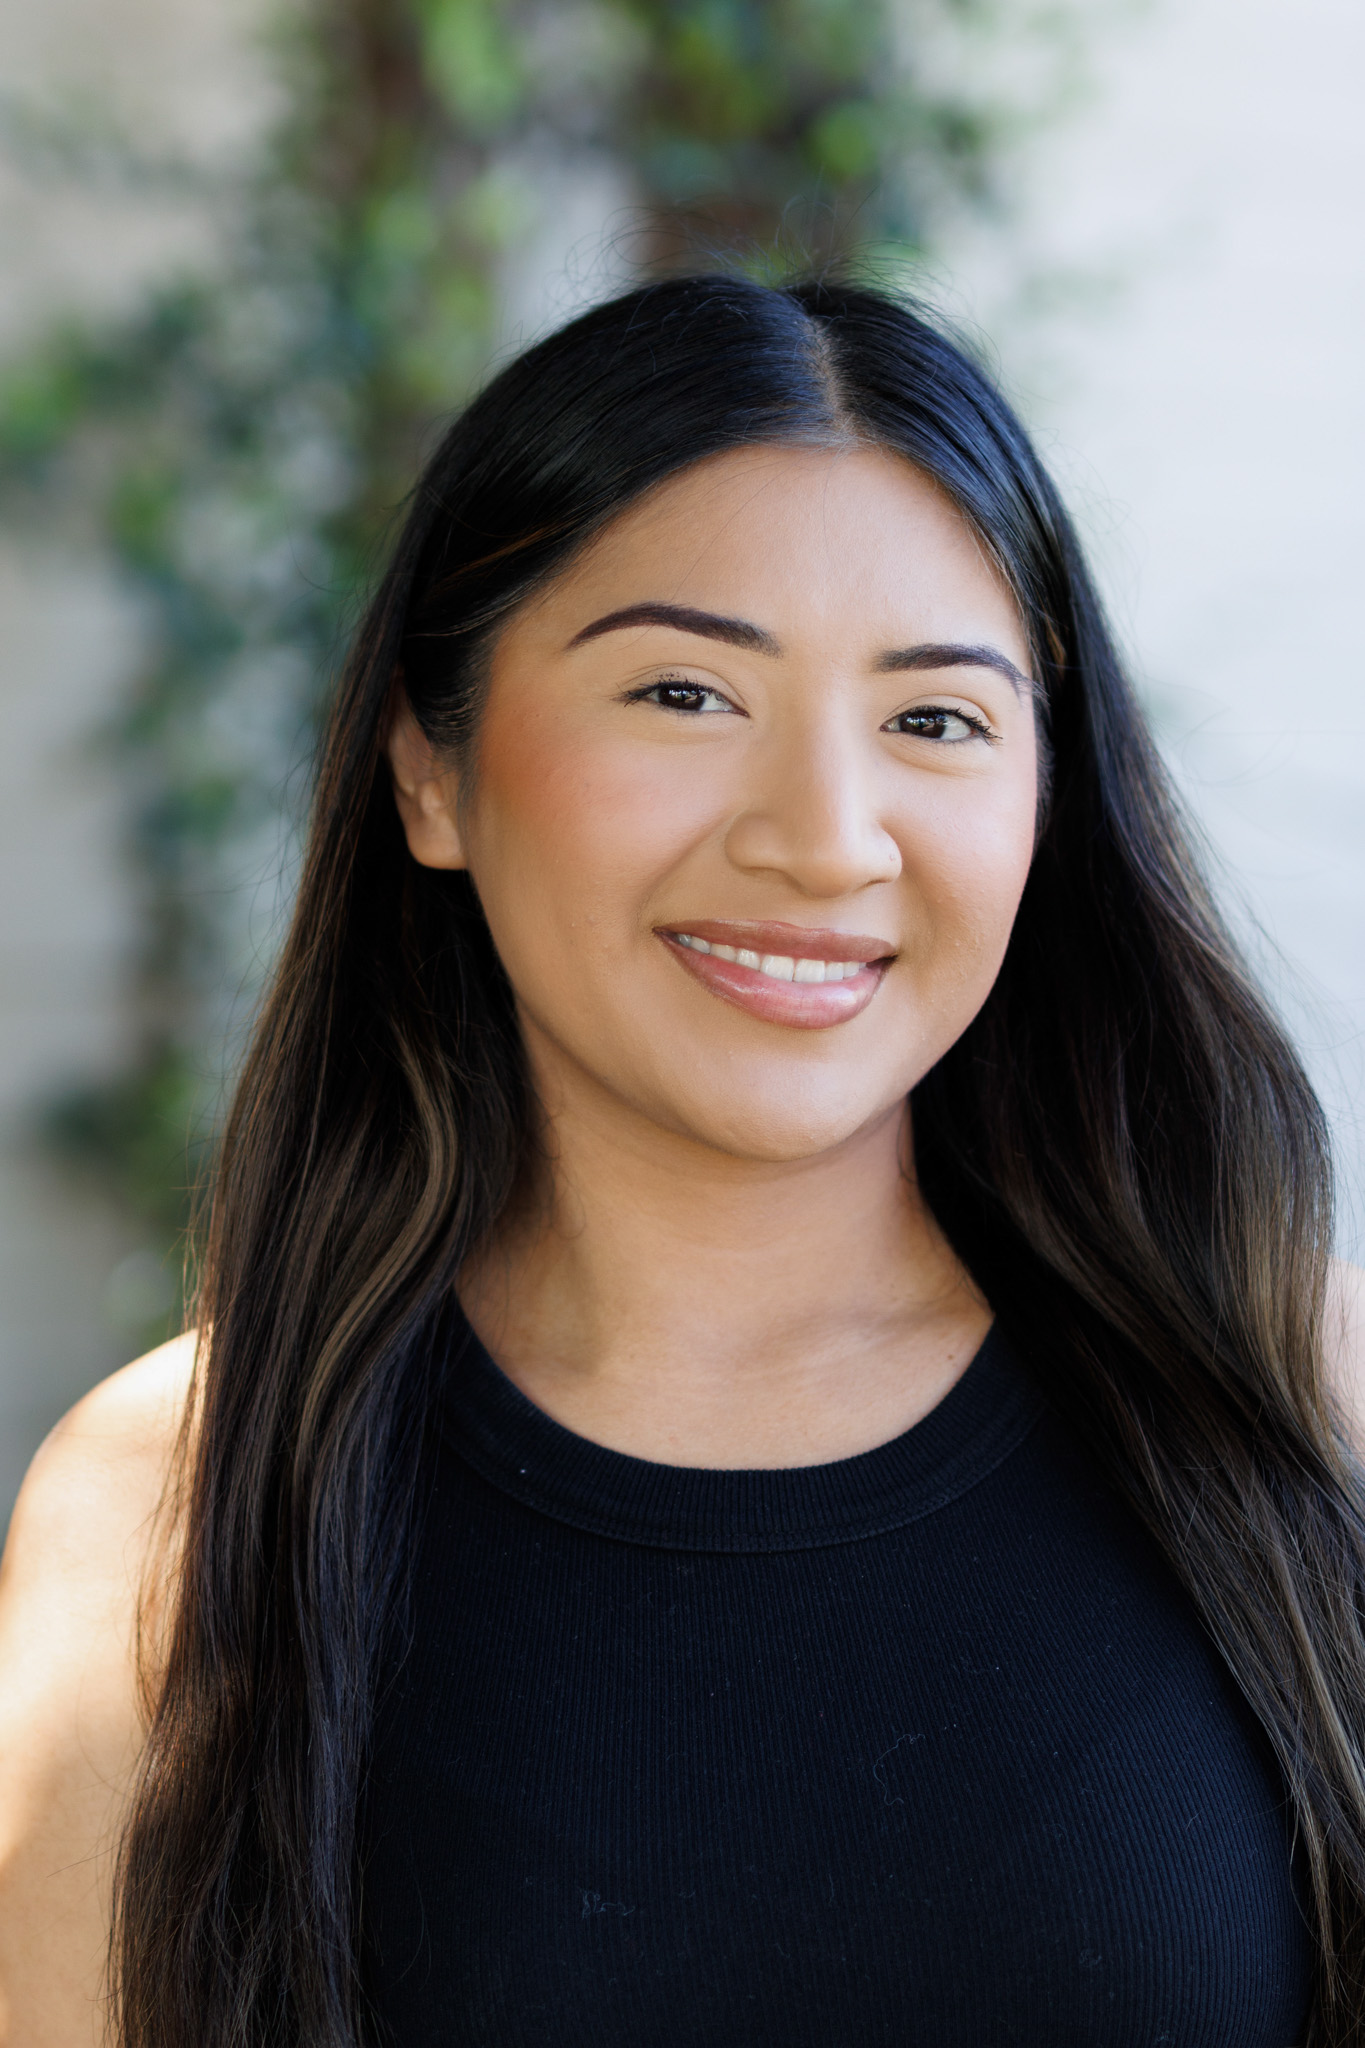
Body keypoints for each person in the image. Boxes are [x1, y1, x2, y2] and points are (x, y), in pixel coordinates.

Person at [2, 273, 1363, 2048]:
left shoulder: (1297, 1388)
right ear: (430, 768)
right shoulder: (170, 1500)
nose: (822, 839)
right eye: (682, 691)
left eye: (935, 719)